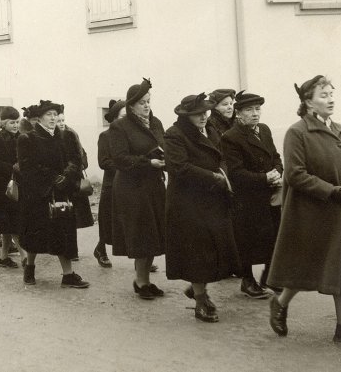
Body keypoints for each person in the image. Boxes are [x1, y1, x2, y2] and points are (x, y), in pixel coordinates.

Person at [267, 75, 341, 348]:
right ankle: (279, 304)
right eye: (324, 95)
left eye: (331, 93)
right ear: (308, 102)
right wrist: (331, 191)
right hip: (310, 213)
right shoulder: (297, 132)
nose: (331, 99)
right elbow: (295, 173)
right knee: (305, 267)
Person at [165, 93, 240, 322]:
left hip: (212, 199)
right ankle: (200, 300)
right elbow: (180, 167)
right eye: (198, 114)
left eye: (205, 112)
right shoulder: (174, 135)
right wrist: (212, 177)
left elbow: (222, 156)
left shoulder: (210, 130)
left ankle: (198, 288)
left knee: (212, 249)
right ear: (186, 116)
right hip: (188, 203)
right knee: (198, 252)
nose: (204, 117)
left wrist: (223, 173)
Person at [17, 100, 89, 288]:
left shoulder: (67, 136)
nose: (53, 118)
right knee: (36, 235)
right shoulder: (28, 139)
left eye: (55, 114)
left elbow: (76, 159)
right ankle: (30, 267)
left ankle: (68, 274)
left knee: (63, 233)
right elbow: (27, 167)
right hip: (38, 195)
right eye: (49, 114)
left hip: (63, 193)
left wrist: (66, 177)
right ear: (39, 117)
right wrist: (52, 179)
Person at [221, 91, 282, 299]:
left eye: (257, 109)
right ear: (238, 113)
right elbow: (236, 172)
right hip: (246, 198)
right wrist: (265, 178)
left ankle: (269, 276)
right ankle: (247, 280)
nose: (255, 114)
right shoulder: (231, 137)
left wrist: (277, 172)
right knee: (247, 240)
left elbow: (275, 156)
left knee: (272, 234)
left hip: (269, 194)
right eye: (249, 110)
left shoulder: (264, 130)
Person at [109, 80, 167, 299]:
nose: (146, 106)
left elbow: (165, 146)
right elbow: (120, 159)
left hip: (154, 185)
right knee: (142, 235)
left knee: (154, 236)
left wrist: (165, 160)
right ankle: (141, 282)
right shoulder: (120, 126)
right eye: (142, 102)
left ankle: (145, 280)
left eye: (149, 101)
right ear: (131, 105)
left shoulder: (156, 123)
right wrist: (148, 163)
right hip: (132, 188)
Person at [0, 106, 28, 268]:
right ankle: (24, 255)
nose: (15, 125)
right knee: (12, 223)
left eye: (17, 122)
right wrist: (13, 167)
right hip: (1, 188)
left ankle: (4, 257)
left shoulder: (22, 138)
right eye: (12, 122)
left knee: (9, 224)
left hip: (19, 185)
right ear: (3, 123)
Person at [57, 109, 94, 260]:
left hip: (72, 180)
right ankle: (64, 250)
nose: (61, 123)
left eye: (62, 120)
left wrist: (74, 167)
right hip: (59, 182)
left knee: (72, 218)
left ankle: (72, 252)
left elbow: (82, 156)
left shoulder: (71, 134)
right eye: (58, 120)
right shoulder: (51, 137)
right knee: (62, 216)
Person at [95, 100, 126, 268]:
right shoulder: (105, 136)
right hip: (112, 184)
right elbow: (103, 161)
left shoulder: (132, 135)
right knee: (107, 220)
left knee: (131, 221)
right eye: (122, 116)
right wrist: (126, 166)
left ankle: (141, 258)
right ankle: (101, 249)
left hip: (130, 184)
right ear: (114, 118)